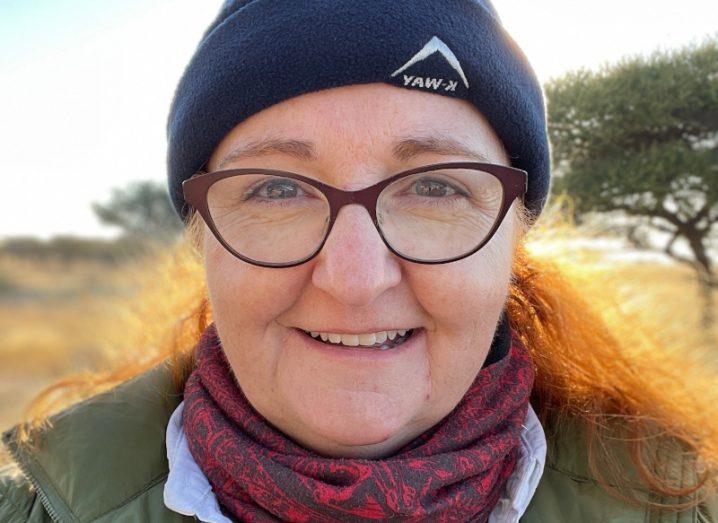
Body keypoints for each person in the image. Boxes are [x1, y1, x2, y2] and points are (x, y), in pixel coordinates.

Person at [1, 1, 716, 521]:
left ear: (516, 231)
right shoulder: (36, 509)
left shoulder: (683, 503)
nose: (354, 278)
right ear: (201, 234)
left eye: (435, 186)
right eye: (277, 189)